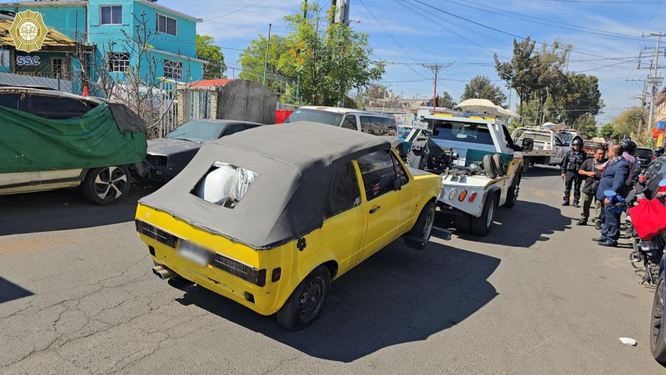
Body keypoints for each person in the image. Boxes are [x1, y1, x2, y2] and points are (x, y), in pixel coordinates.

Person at [594, 143, 631, 247]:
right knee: (605, 217)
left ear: (614, 153)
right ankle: (604, 235)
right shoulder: (612, 162)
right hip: (604, 195)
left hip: (612, 197)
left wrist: (610, 196)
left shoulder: (622, 165)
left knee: (612, 218)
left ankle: (612, 239)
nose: (608, 152)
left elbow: (618, 183)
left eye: (609, 150)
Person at [577, 147, 605, 226]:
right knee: (585, 203)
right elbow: (580, 171)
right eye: (599, 154)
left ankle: (597, 220)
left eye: (603, 154)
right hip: (589, 186)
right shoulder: (588, 161)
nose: (601, 156)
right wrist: (588, 173)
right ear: (595, 154)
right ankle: (584, 218)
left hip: (600, 187)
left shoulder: (606, 163)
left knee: (599, 204)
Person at [560, 137, 586, 207]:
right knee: (567, 187)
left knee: (577, 188)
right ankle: (566, 200)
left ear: (580, 146)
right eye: (575, 145)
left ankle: (576, 201)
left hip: (578, 173)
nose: (576, 146)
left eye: (578, 145)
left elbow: (585, 164)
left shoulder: (583, 154)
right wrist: (563, 172)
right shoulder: (569, 153)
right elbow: (564, 163)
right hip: (569, 172)